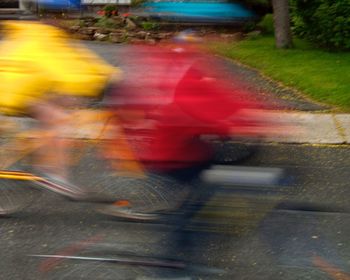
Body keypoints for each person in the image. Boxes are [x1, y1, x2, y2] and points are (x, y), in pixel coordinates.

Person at [0, 19, 120, 199]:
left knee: (62, 103)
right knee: (59, 121)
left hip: (24, 90)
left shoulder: (33, 35)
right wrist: (99, 84)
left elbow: (80, 62)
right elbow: (65, 72)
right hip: (15, 94)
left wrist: (111, 75)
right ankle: (53, 175)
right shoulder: (44, 41)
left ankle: (35, 153)